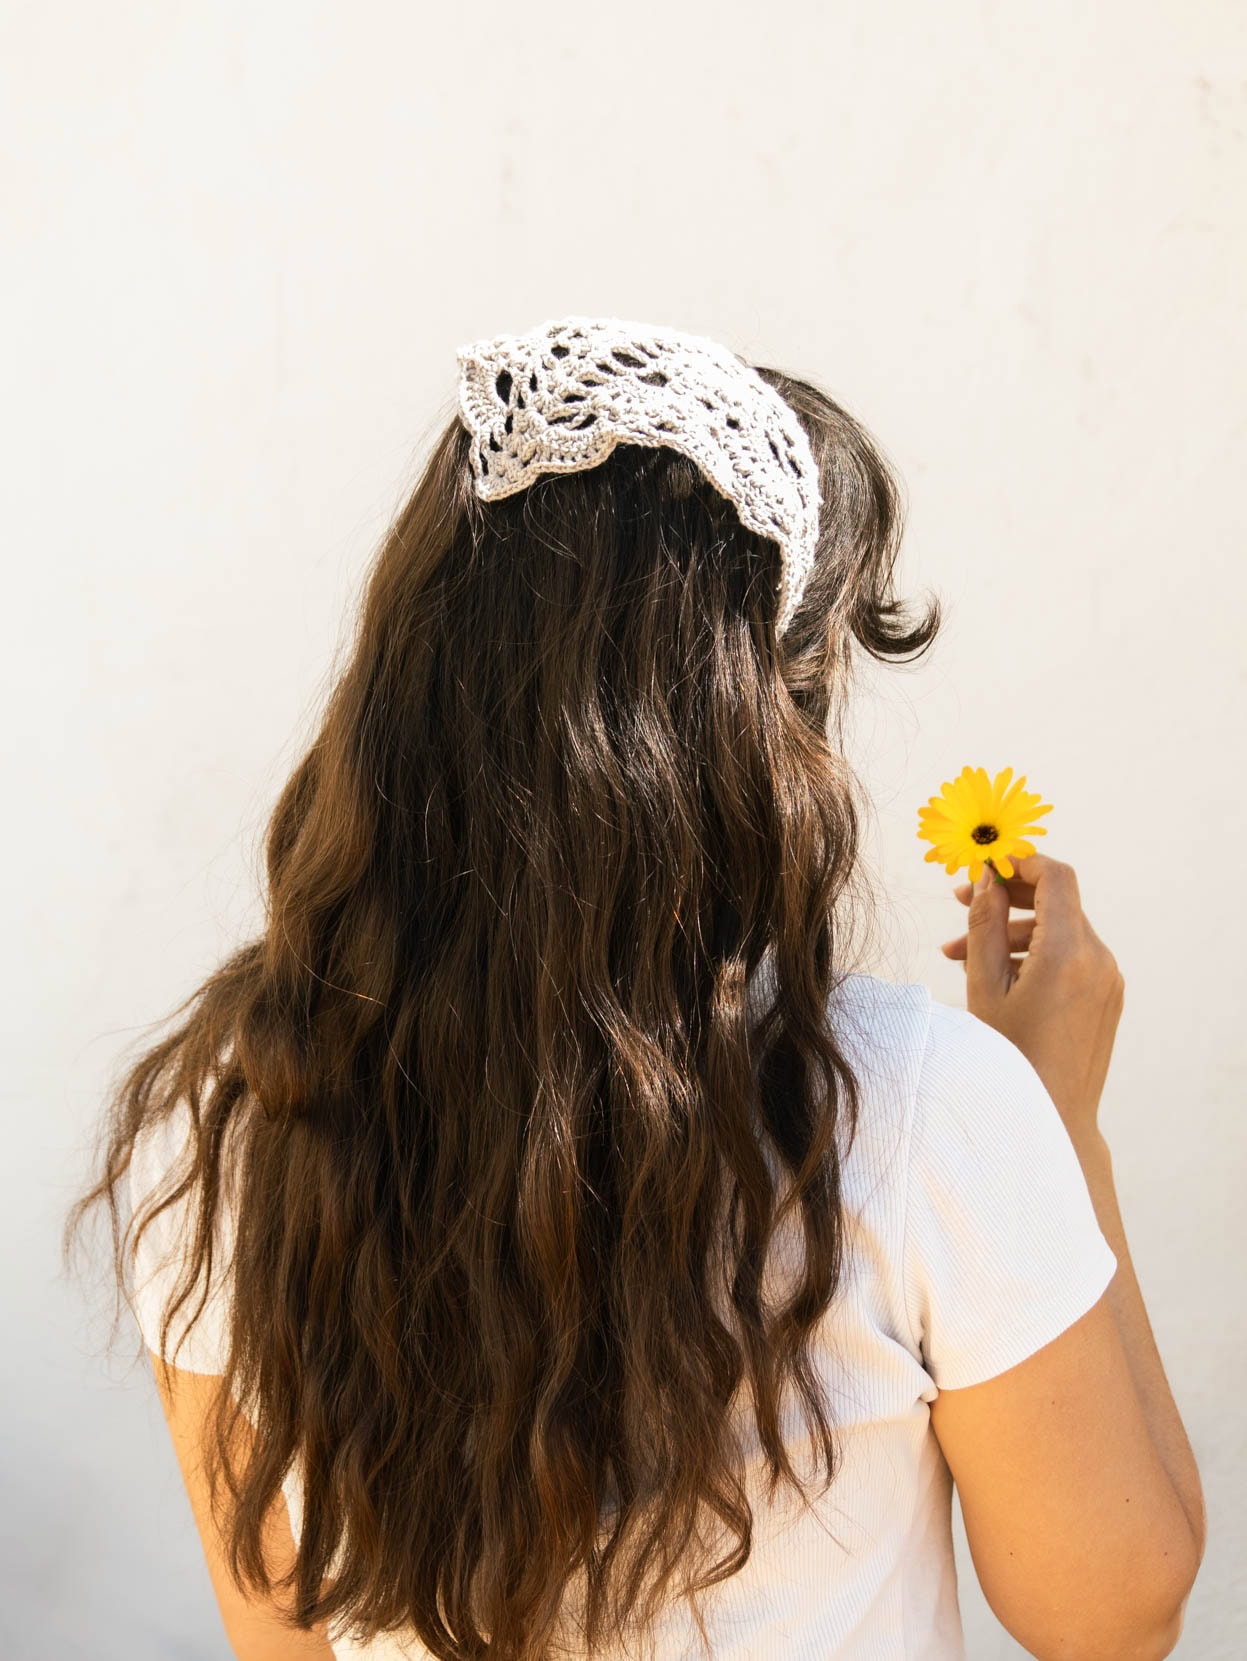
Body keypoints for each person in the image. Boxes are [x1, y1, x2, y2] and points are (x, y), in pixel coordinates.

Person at [64, 317, 1205, 1661]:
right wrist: (1058, 1116)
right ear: (770, 727)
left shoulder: (227, 1128)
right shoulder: (911, 1112)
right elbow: (1114, 1608)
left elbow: (284, 1642)